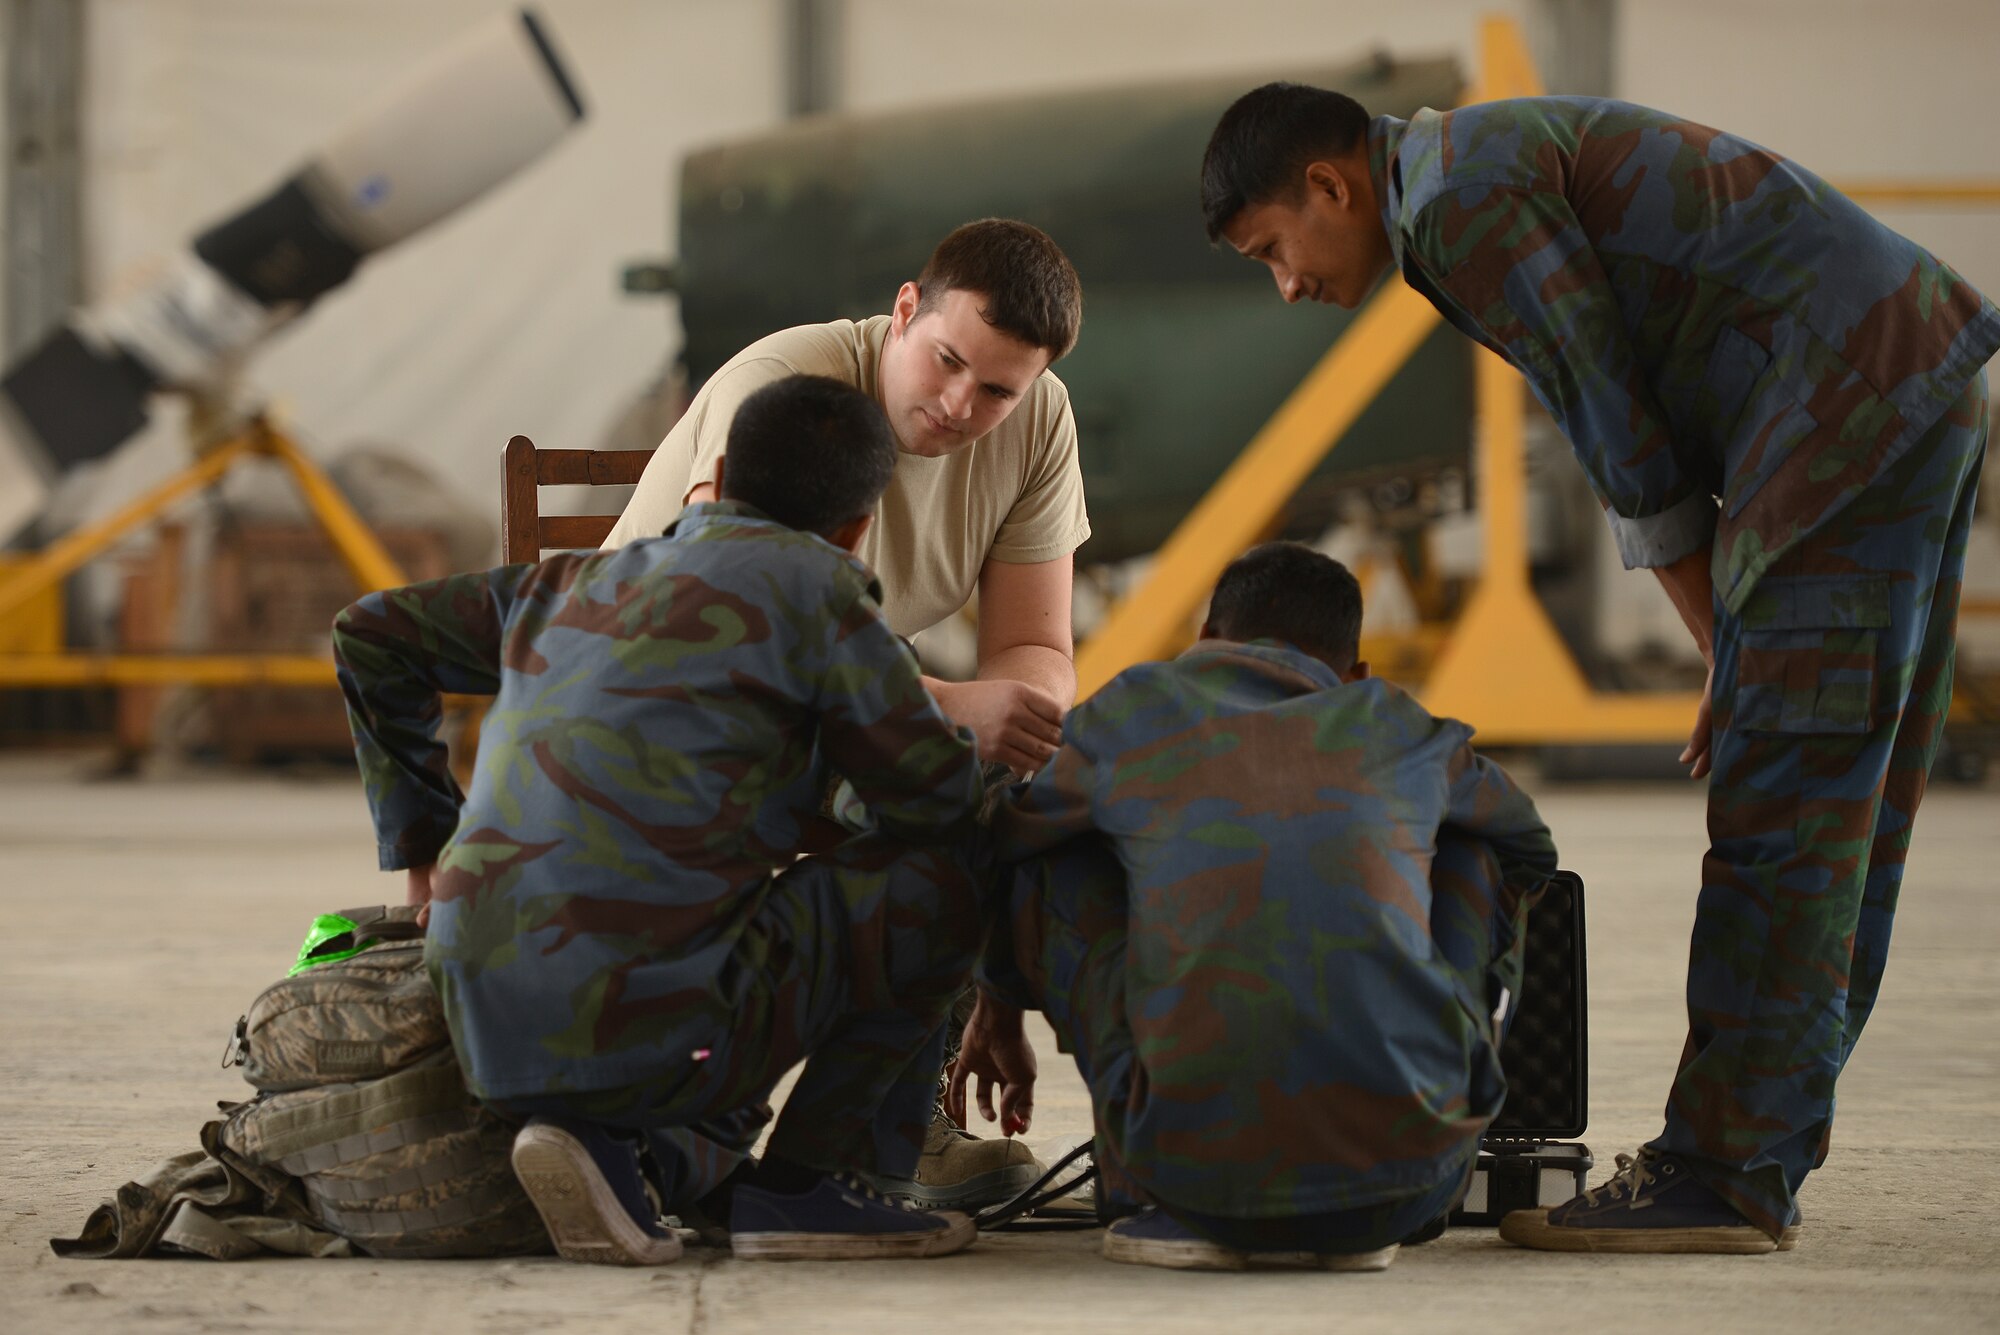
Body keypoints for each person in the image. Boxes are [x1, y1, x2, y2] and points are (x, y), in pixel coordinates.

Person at [1200, 85, 1997, 1253]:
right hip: (1899, 380)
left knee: (1784, 802)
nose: (1286, 285)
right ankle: (1756, 1146)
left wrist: (1720, 638)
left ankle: (1722, 1174)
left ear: (1329, 185)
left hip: (1839, 402)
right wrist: (1732, 637)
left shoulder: (1455, 199)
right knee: (1843, 799)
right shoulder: (1462, 164)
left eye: (1272, 249)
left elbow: (1608, 415)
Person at [333, 374, 992, 1266]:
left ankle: (634, 1157)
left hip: (477, 1019)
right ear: (856, 529)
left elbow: (370, 633)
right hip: (651, 1030)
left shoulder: (566, 582)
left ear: (710, 481)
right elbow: (938, 805)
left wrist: (426, 847)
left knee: (706, 930)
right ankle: (814, 1185)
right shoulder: (821, 591)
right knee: (943, 885)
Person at [606, 216, 1087, 1208]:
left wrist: (1016, 723)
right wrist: (945, 709)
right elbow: (744, 622)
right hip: (687, 690)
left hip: (844, 687)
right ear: (904, 311)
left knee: (993, 801)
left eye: (997, 390)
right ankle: (758, 1144)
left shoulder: (1039, 421)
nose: (959, 405)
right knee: (934, 824)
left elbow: (1036, 646)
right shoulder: (787, 389)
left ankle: (888, 1139)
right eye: (947, 361)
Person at [952, 542, 1559, 1271]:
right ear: (1355, 673)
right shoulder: (1397, 721)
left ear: (1206, 638)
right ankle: (1421, 1105)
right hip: (1415, 1183)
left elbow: (998, 846)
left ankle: (1144, 1176)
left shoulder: (1133, 710)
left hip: (1185, 1182)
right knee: (1476, 848)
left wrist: (997, 1003)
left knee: (1052, 853)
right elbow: (1531, 846)